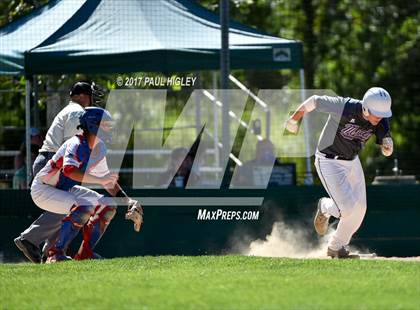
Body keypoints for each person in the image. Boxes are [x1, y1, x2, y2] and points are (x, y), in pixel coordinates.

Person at [284, 87, 393, 258]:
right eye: (376, 113)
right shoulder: (345, 107)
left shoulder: (380, 119)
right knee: (347, 208)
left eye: (382, 114)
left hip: (352, 161)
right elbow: (314, 100)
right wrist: (294, 119)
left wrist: (387, 143)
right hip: (328, 160)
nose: (379, 117)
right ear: (365, 108)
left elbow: (385, 138)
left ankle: (336, 247)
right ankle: (324, 206)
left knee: (360, 209)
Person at [30, 107, 143, 263]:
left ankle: (85, 254)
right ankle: (55, 254)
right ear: (92, 125)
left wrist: (128, 201)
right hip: (43, 188)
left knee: (108, 205)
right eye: (105, 125)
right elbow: (69, 171)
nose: (109, 129)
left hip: (64, 188)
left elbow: (107, 181)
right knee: (84, 206)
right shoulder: (75, 143)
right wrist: (100, 180)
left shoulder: (99, 147)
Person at [14, 81, 103, 263]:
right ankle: (31, 239)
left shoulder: (71, 110)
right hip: (52, 163)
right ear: (82, 96)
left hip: (51, 161)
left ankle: (52, 251)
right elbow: (74, 146)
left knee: (67, 206)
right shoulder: (76, 112)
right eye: (91, 94)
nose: (94, 99)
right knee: (72, 206)